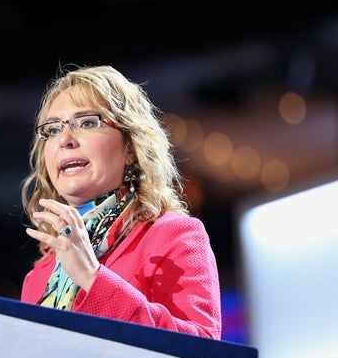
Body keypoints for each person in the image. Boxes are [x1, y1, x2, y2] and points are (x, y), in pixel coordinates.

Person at [20, 64, 222, 339]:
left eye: (87, 122)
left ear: (130, 148)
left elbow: (201, 351)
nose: (65, 139)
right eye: (52, 129)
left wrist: (92, 276)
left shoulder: (173, 235)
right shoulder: (37, 278)